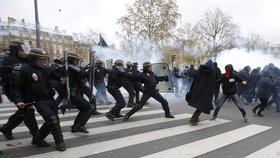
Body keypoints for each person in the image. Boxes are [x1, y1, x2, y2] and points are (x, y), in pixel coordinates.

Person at [10, 48, 66, 151]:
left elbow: (57, 76)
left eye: (44, 59)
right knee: (52, 119)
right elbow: (16, 87)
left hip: (50, 98)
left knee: (54, 120)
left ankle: (38, 138)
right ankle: (59, 142)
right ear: (33, 59)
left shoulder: (46, 69)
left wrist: (62, 78)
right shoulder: (25, 70)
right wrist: (18, 100)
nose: (43, 61)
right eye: (40, 59)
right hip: (37, 100)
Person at [0, 40, 41, 142]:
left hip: (27, 89)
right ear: (15, 50)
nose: (24, 52)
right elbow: (2, 71)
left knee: (23, 111)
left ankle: (6, 128)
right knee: (28, 110)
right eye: (22, 50)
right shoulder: (7, 58)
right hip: (14, 89)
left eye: (25, 49)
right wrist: (15, 68)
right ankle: (37, 136)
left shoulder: (27, 58)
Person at [66, 52, 95, 133]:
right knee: (89, 107)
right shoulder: (71, 67)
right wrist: (91, 69)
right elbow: (84, 74)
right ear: (71, 60)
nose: (78, 62)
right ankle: (80, 125)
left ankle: (75, 127)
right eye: (76, 60)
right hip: (73, 92)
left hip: (76, 91)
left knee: (84, 108)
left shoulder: (70, 67)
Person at [186, 59, 216, 126]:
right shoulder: (212, 71)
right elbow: (211, 83)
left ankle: (195, 118)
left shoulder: (201, 69)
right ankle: (193, 119)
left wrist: (193, 89)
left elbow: (196, 80)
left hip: (197, 90)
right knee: (202, 106)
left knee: (200, 105)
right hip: (206, 92)